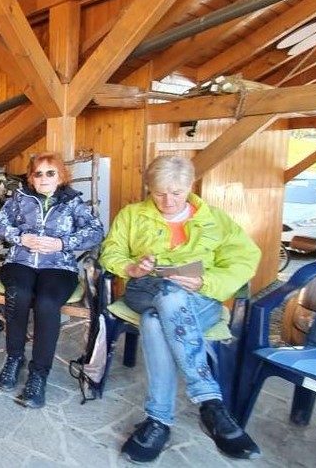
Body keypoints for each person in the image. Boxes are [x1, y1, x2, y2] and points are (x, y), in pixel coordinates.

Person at [100, 155, 261, 463]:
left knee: (154, 320)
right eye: (159, 193)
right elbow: (111, 252)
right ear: (149, 189)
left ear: (190, 186)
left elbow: (244, 260)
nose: (168, 201)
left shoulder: (215, 219)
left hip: (199, 299)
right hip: (146, 290)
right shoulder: (132, 215)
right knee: (168, 294)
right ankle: (210, 403)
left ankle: (158, 421)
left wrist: (205, 281)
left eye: (176, 193)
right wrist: (132, 267)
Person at [0, 152, 104, 408]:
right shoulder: (20, 198)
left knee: (47, 303)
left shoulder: (73, 202)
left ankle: (39, 374)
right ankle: (14, 358)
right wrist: (20, 237)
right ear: (31, 178)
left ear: (60, 176)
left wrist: (62, 243)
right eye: (38, 174)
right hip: (20, 262)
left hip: (58, 266)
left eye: (50, 173)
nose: (44, 178)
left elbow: (96, 231)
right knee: (18, 295)